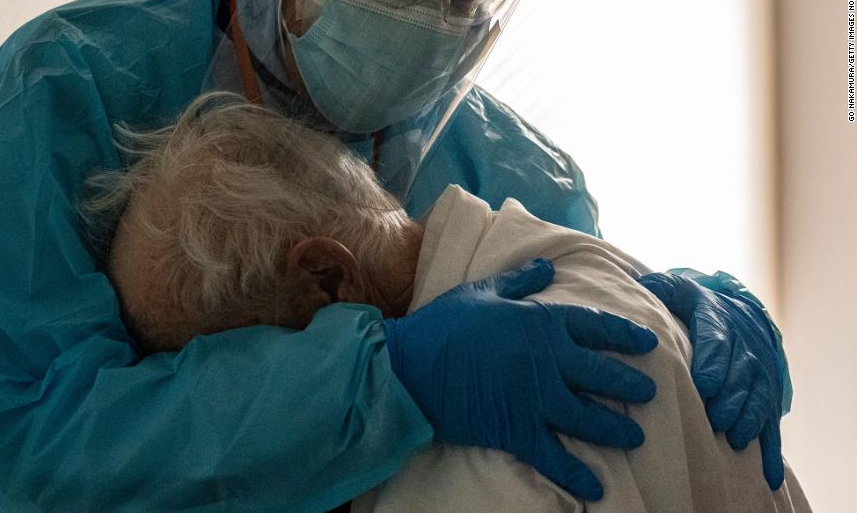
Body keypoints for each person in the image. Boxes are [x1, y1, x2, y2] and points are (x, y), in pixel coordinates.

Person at [0, 0, 791, 509]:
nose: (428, 8)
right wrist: (381, 378)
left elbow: (581, 354)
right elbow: (36, 431)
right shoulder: (67, 85)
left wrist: (667, 301)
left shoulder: (517, 168)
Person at [86, 94, 809, 511]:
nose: (231, 410)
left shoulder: (484, 456)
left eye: (216, 363)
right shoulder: (562, 258)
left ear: (328, 281)